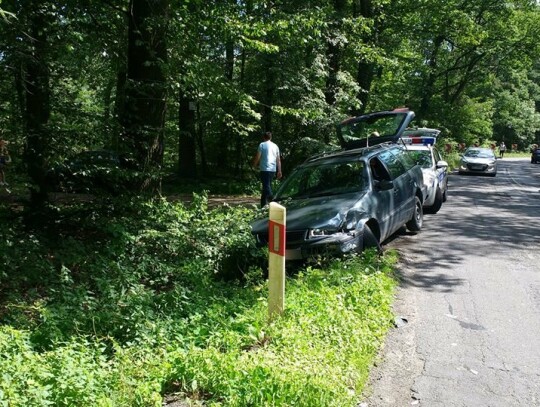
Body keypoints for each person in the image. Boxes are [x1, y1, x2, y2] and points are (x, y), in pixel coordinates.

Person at [252, 131, 282, 208]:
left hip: (264, 169)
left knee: (266, 187)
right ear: (271, 137)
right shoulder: (275, 146)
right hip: (272, 169)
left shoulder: (262, 145)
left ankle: (274, 201)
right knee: (266, 187)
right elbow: (278, 160)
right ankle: (263, 206)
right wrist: (279, 170)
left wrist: (254, 165)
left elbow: (258, 156)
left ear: (264, 137)